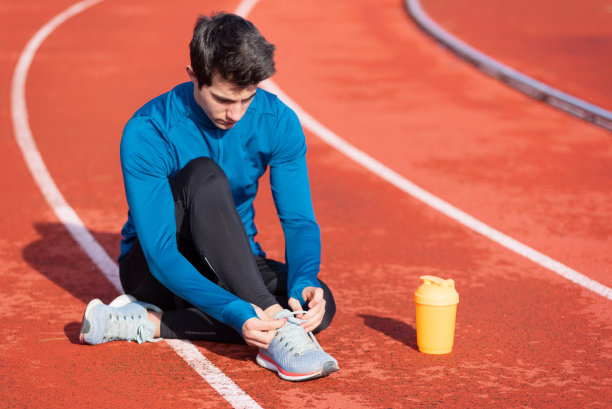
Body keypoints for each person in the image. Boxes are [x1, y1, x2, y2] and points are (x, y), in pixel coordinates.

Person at [78, 12, 338, 382]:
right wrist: (239, 310)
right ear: (193, 75)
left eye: (246, 99)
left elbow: (298, 221)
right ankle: (276, 329)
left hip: (231, 263)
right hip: (155, 271)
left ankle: (150, 323)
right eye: (222, 99)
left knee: (318, 305)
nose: (234, 114)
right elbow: (160, 254)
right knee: (205, 176)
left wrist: (303, 281)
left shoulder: (279, 121)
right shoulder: (148, 130)